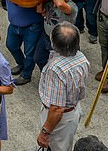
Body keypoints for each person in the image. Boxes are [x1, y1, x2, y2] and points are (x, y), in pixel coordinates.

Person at [36, 22, 89, 151]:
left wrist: (45, 132)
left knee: (57, 148)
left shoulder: (55, 69)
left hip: (60, 119)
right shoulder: (81, 57)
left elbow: (57, 109)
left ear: (54, 44)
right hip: (73, 111)